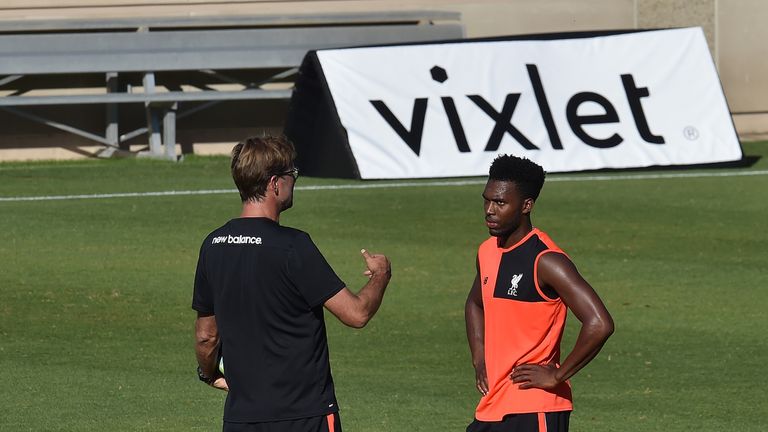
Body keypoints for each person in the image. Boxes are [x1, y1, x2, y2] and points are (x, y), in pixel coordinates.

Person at [192, 135, 392, 432]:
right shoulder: (292, 246)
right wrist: (381, 276)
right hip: (304, 416)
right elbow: (356, 313)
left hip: (241, 420)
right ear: (274, 184)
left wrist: (209, 374)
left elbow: (206, 338)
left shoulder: (213, 245)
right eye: (291, 175)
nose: (293, 182)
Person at [465, 154, 614, 432]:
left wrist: (557, 375)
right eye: (486, 199)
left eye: (500, 202)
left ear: (526, 205)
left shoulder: (546, 261)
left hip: (535, 408)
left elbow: (600, 323)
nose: (489, 209)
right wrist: (479, 357)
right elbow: (475, 303)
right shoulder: (487, 251)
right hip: (492, 405)